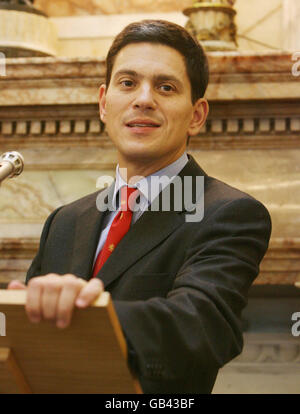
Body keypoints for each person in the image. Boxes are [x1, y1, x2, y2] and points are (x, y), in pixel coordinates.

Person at [8, 20, 272, 394]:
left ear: (196, 115)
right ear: (104, 102)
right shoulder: (64, 221)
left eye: (165, 87)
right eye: (128, 83)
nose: (144, 99)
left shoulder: (229, 213)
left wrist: (85, 313)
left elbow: (202, 328)